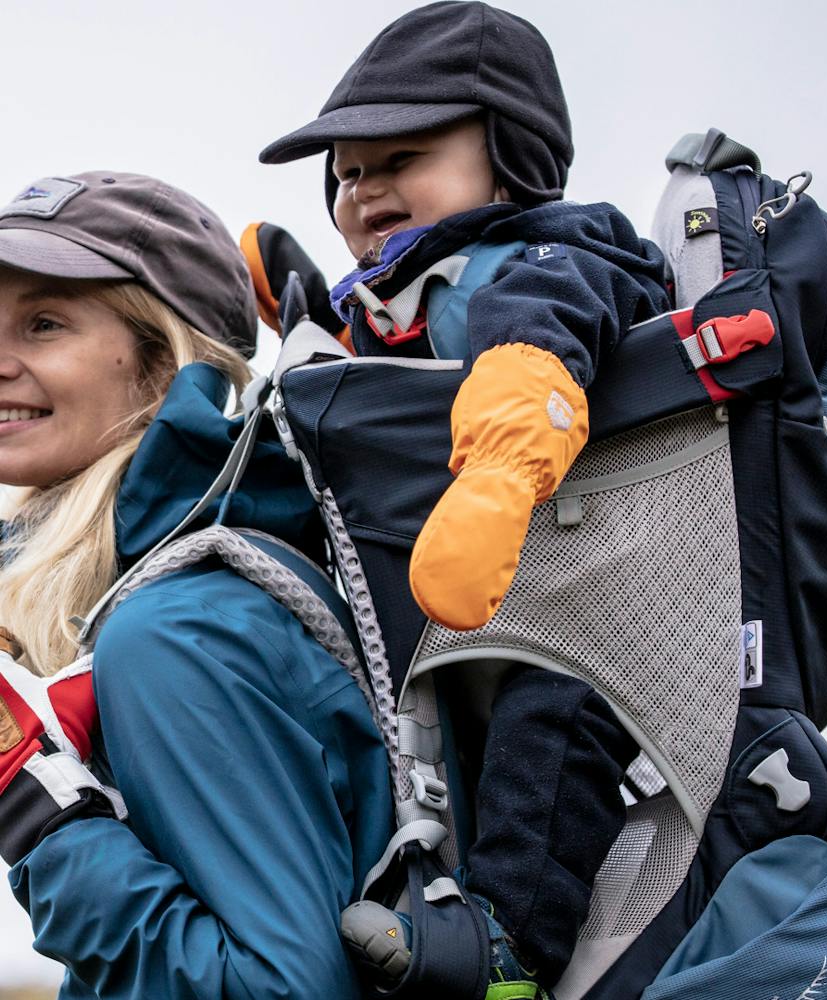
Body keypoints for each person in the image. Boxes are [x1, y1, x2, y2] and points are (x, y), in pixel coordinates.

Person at [253, 2, 670, 994]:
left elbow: (532, 358)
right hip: (438, 610)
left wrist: (495, 479)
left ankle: (511, 944)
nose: (365, 189)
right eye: (347, 173)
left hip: (588, 583)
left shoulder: (543, 259)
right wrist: (299, 311)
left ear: (510, 158)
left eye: (401, 157)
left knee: (558, 715)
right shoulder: (400, 294)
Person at [0, 170, 393, 999]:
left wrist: (42, 816)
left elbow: (287, 990)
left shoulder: (178, 627)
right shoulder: (145, 603)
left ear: (160, 362)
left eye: (43, 323)